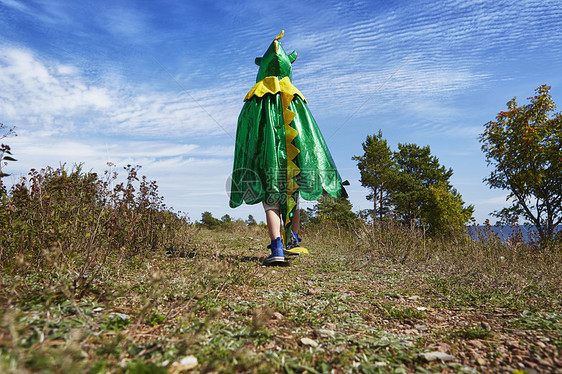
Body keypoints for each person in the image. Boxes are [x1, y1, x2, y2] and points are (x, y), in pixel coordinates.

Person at [229, 31, 347, 265]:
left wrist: (252, 160)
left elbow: (249, 135)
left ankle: (278, 247)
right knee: (292, 193)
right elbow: (311, 137)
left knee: (271, 199)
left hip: (267, 159)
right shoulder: (296, 97)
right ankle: (292, 240)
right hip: (294, 160)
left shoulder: (255, 99)